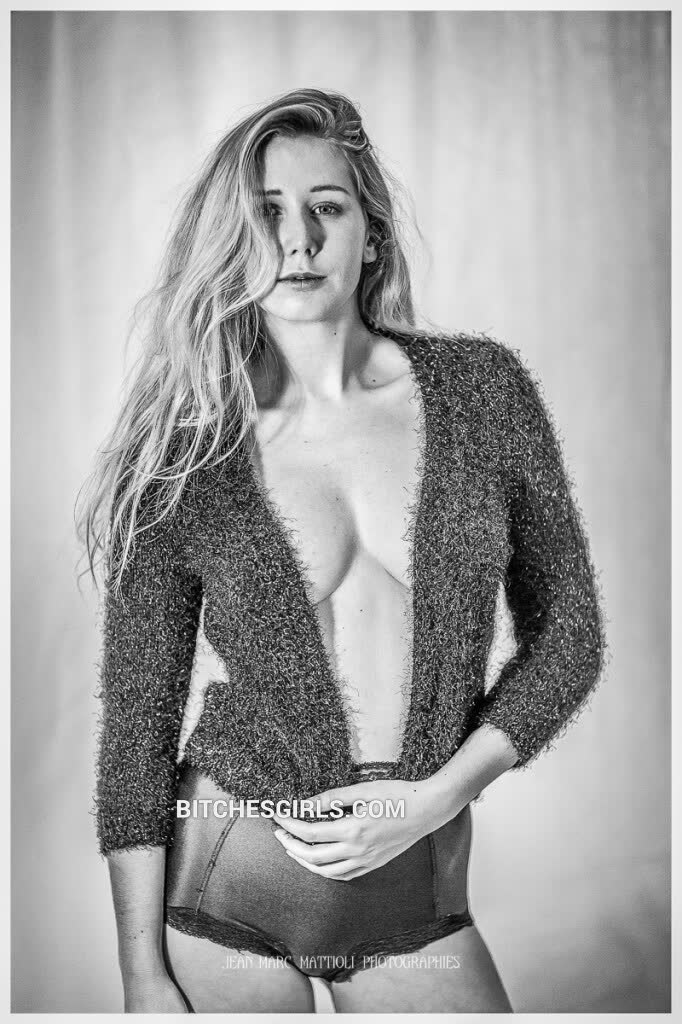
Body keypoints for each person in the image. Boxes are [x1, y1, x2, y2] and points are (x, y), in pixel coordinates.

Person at [76, 88, 606, 1013]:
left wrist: (437, 797)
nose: (299, 240)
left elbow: (570, 636)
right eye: (267, 213)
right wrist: (141, 977)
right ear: (232, 238)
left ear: (371, 233)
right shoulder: (184, 448)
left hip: (418, 880)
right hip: (228, 878)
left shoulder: (483, 392)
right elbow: (137, 733)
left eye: (327, 206)